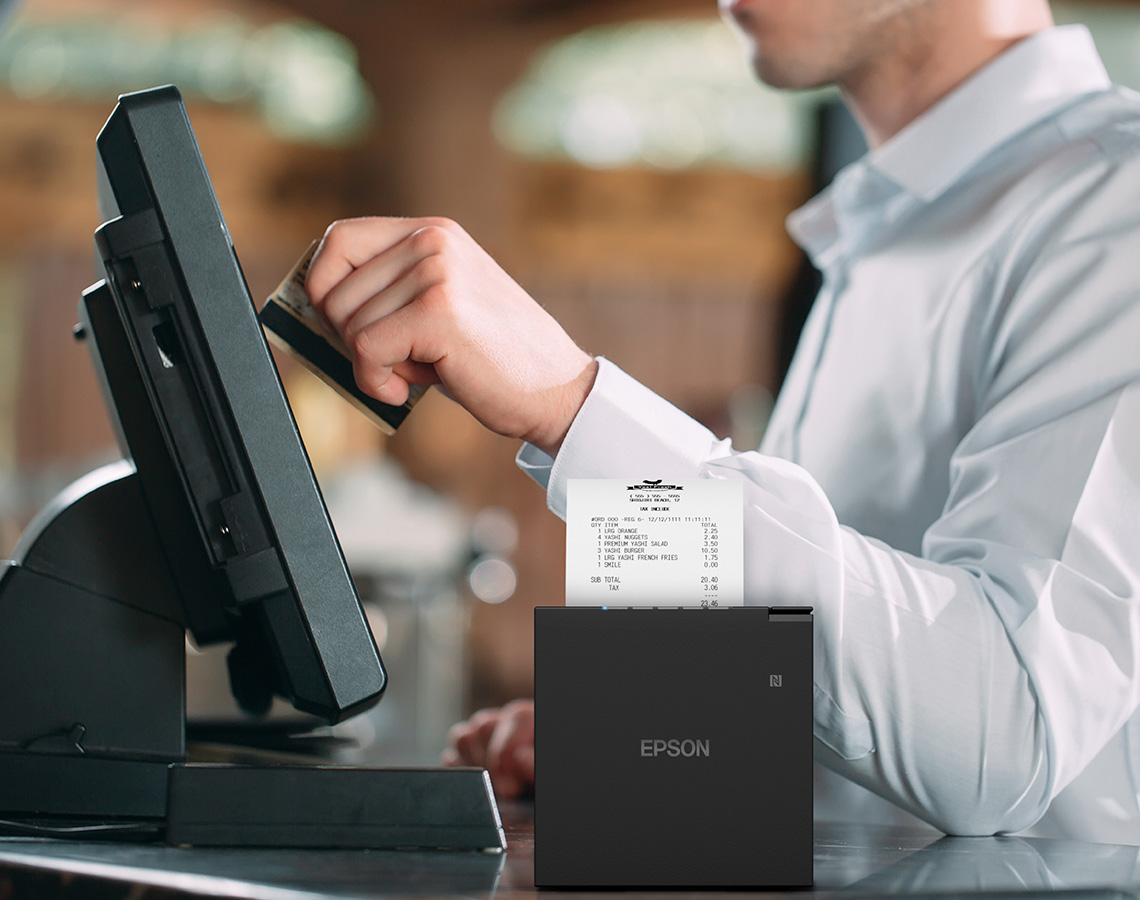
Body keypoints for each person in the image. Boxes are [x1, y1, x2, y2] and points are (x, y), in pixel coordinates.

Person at [305, 0, 1140, 843]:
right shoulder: (888, 227)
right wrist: (660, 741)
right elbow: (873, 714)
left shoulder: (1118, 204)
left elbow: (1013, 733)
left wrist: (568, 406)